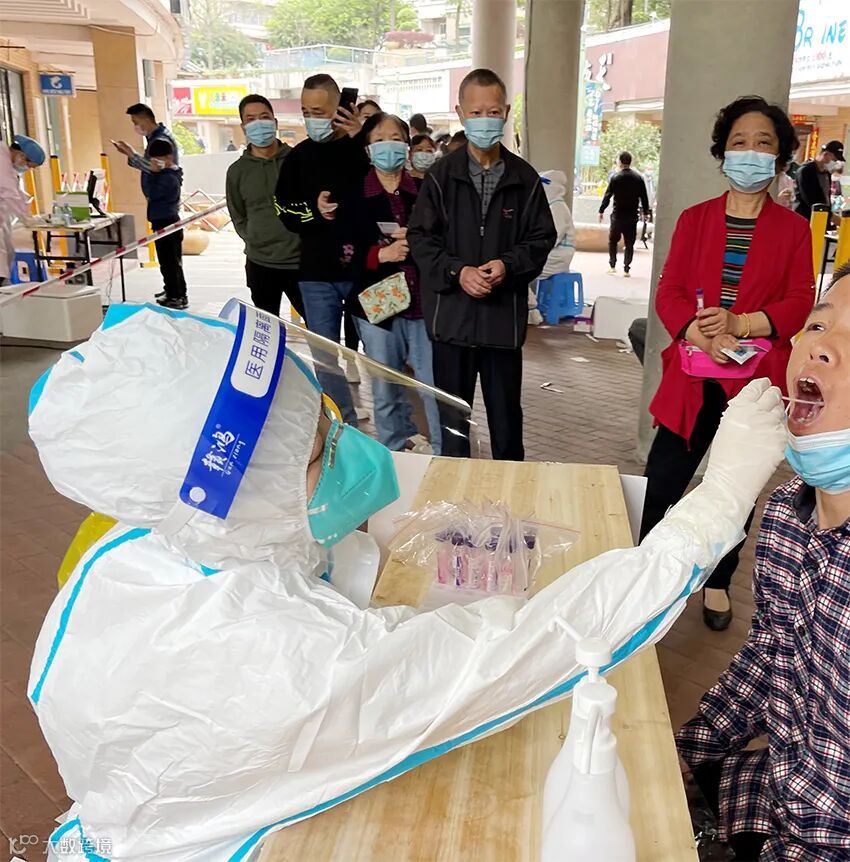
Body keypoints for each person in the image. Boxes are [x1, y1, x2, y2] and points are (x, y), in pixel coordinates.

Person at [27, 298, 785, 860]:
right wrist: (716, 505)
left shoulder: (138, 548)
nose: (348, 449)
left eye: (329, 420)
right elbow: (535, 649)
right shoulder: (280, 663)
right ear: (232, 490)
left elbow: (278, 567)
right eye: (319, 449)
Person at [677, 265, 850, 862]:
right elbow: (769, 657)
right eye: (818, 325)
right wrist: (688, 750)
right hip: (767, 793)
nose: (821, 346)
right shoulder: (785, 515)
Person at [639, 95, 815, 631]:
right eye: (739, 142)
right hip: (693, 377)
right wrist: (698, 332)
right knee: (663, 479)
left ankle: (718, 579)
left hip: (756, 379)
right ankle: (644, 572)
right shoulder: (695, 220)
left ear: (779, 156)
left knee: (737, 488)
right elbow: (669, 291)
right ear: (723, 152)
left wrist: (741, 324)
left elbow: (799, 301)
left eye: (763, 143)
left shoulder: (793, 229)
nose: (750, 152)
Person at [408, 68, 556, 461]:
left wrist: (508, 265)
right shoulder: (440, 177)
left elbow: (541, 238)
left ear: (505, 112)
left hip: (501, 326)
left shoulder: (524, 178)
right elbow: (421, 239)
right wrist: (458, 271)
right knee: (453, 425)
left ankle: (512, 491)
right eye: (475, 112)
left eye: (492, 112)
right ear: (460, 113)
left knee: (506, 424)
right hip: (451, 323)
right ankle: (455, 491)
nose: (484, 120)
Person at [338, 112, 442, 455]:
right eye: (380, 139)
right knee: (385, 386)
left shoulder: (426, 192)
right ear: (368, 149)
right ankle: (394, 449)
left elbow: (445, 241)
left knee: (433, 385)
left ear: (407, 147)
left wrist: (418, 242)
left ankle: (444, 451)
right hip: (376, 306)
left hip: (424, 304)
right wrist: (380, 255)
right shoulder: (354, 195)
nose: (389, 146)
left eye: (396, 138)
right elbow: (342, 251)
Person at [275, 73, 368, 426]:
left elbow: (391, 190)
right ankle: (344, 423)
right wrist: (314, 210)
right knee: (324, 357)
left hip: (367, 271)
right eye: (305, 111)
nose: (311, 119)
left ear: (339, 108)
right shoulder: (298, 157)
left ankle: (396, 429)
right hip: (316, 274)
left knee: (383, 352)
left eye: (319, 111)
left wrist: (362, 139)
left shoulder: (364, 149)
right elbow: (283, 209)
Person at [226, 94, 304, 319]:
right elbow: (238, 214)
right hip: (260, 264)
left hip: (301, 263)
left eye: (264, 117)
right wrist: (253, 237)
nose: (258, 124)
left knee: (318, 330)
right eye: (251, 119)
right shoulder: (237, 171)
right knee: (266, 328)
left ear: (275, 122)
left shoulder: (298, 161)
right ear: (243, 127)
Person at [113, 104, 187, 307]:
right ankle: (171, 289)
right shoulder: (156, 143)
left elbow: (154, 171)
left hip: (166, 215)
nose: (135, 126)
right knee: (167, 259)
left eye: (135, 122)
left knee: (170, 259)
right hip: (160, 213)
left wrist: (131, 154)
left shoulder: (163, 145)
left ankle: (177, 294)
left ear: (145, 119)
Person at [529, 170, 577, 325]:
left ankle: (531, 310)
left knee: (520, 271)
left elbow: (552, 237)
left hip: (556, 257)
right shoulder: (551, 206)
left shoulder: (556, 207)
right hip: (551, 254)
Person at [598, 151, 650, 278]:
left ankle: (612, 266)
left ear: (620, 161)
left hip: (618, 216)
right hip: (632, 217)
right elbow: (644, 197)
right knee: (629, 243)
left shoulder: (616, 177)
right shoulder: (638, 178)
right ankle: (626, 269)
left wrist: (601, 210)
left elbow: (608, 195)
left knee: (613, 241)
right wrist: (645, 212)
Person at [1, 134, 44, 285]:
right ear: (21, 155)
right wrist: (27, 219)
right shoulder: (2, 161)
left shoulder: (6, 161)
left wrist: (31, 216)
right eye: (28, 165)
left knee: (7, 252)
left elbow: (16, 192)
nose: (27, 169)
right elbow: (10, 194)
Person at [793, 139, 844, 222]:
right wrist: (831, 216)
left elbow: (826, 197)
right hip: (804, 217)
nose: (835, 163)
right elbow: (810, 198)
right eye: (834, 160)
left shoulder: (826, 174)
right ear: (826, 154)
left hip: (821, 218)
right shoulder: (806, 171)